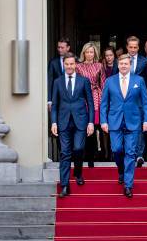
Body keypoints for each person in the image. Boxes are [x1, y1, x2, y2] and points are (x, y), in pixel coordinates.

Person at [100, 54, 147, 198]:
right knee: (116, 149)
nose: (123, 66)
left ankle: (128, 185)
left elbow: (146, 103)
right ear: (118, 65)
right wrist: (103, 121)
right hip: (115, 121)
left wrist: (146, 120)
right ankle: (121, 171)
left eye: (126, 64)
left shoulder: (139, 80)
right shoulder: (110, 81)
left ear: (130, 65)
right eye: (121, 63)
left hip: (133, 122)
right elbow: (104, 103)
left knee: (130, 152)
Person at [50, 53, 95, 197]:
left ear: (76, 65)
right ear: (64, 65)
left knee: (78, 148)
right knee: (64, 153)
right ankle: (64, 185)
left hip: (80, 120)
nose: (69, 67)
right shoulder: (57, 82)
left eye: (71, 64)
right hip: (63, 122)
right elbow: (55, 104)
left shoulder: (84, 81)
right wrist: (54, 122)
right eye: (67, 64)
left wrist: (91, 122)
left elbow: (91, 103)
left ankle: (78, 172)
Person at [126, 36, 147, 167]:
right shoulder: (121, 61)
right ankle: (129, 153)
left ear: (138, 47)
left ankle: (139, 155)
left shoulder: (144, 62)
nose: (132, 49)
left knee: (140, 127)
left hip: (139, 100)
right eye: (130, 47)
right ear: (127, 47)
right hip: (124, 100)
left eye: (135, 47)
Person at [76, 42, 106, 166]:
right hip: (82, 98)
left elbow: (103, 84)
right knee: (83, 127)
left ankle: (95, 155)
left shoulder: (99, 66)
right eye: (87, 52)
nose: (89, 54)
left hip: (96, 97)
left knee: (95, 127)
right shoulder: (78, 67)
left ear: (95, 53)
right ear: (84, 53)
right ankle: (83, 155)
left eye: (91, 52)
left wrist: (104, 100)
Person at [47, 37, 71, 161]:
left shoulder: (74, 61)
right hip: (58, 100)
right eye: (58, 47)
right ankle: (62, 154)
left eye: (62, 47)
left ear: (68, 48)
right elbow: (50, 81)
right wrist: (49, 100)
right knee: (60, 127)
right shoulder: (53, 62)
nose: (59, 49)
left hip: (72, 100)